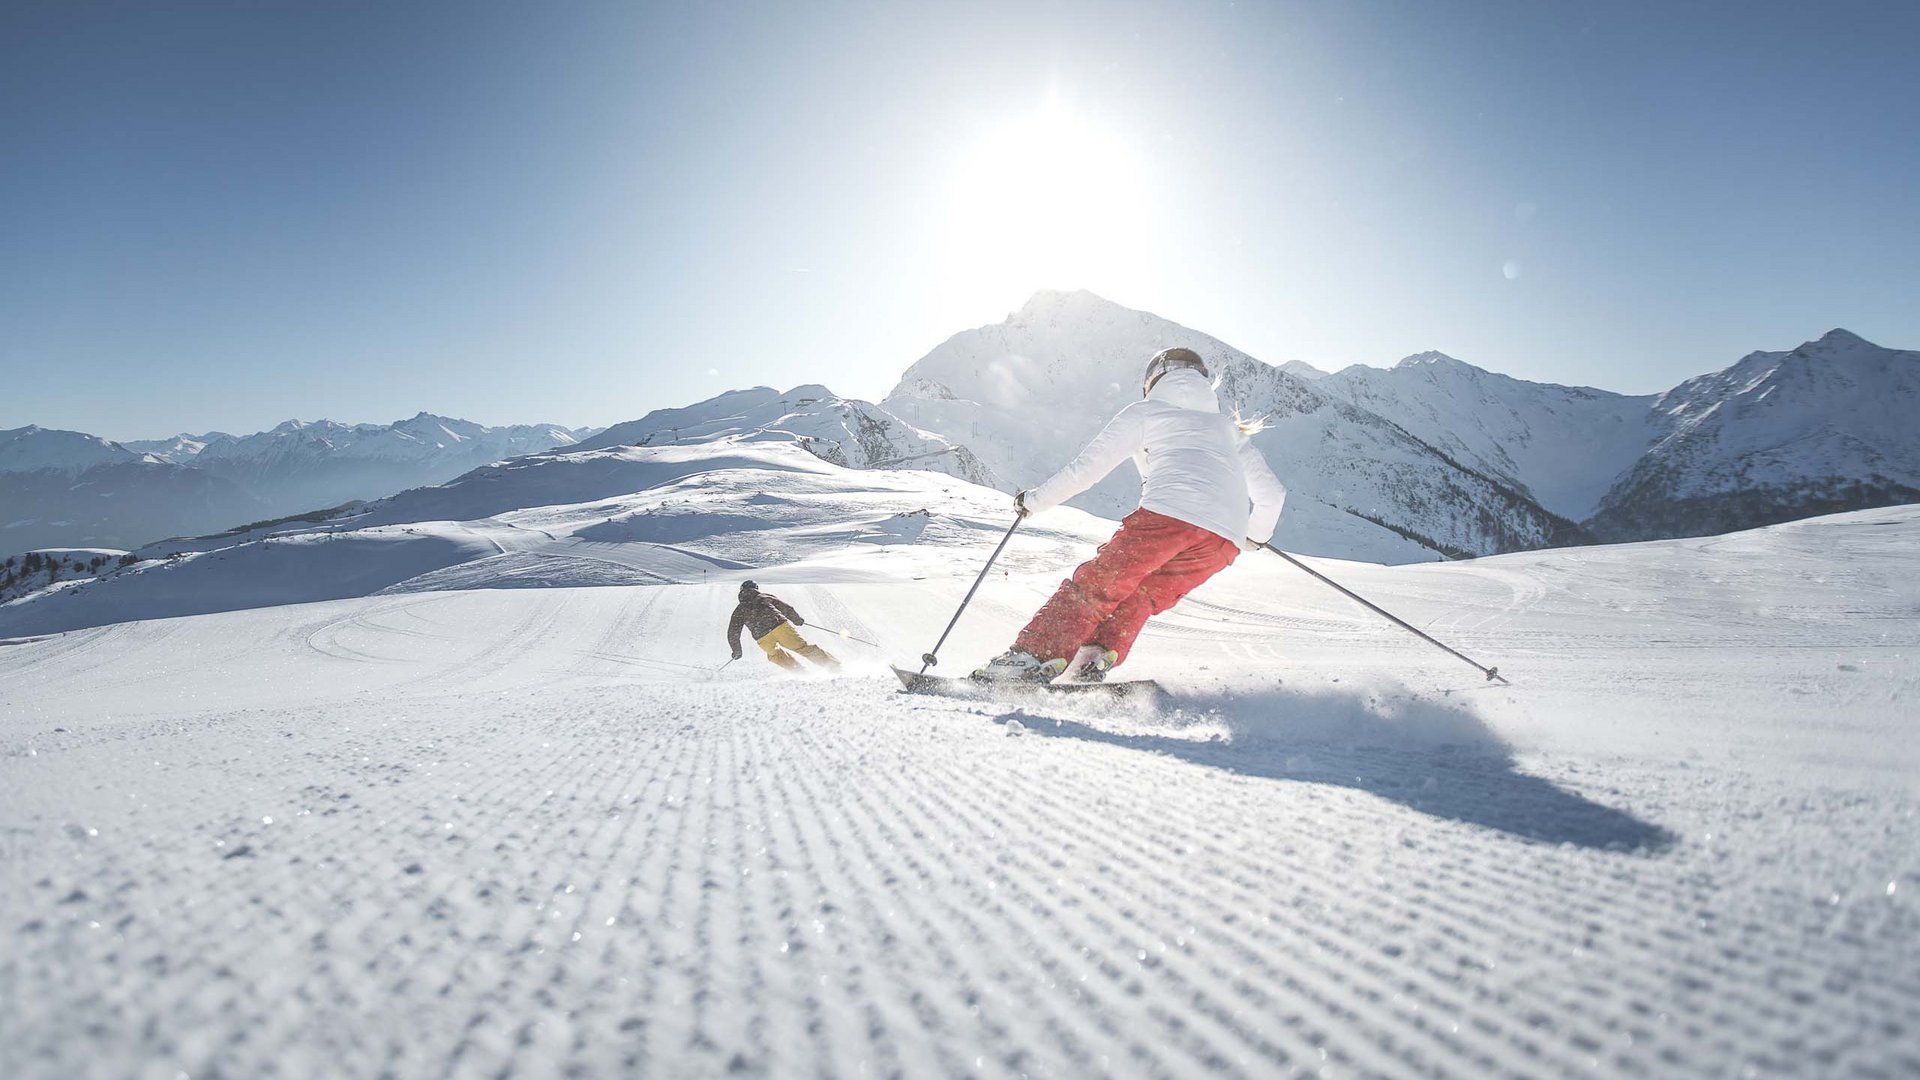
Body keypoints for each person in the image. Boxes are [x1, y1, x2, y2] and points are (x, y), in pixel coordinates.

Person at [974, 347, 1287, 683]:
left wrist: (1033, 501)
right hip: (1223, 542)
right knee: (1143, 594)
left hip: (1167, 519)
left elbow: (1085, 471)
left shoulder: (1147, 413)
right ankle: (1093, 657)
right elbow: (1272, 494)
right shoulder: (1227, 429)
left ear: (1152, 382)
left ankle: (1031, 657)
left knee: (1095, 587)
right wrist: (1255, 535)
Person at [728, 580, 839, 671]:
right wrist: (797, 620)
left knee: (775, 655)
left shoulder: (739, 610)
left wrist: (737, 650)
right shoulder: (764, 596)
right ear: (756, 588)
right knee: (802, 648)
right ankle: (833, 666)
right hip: (779, 626)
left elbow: (733, 632)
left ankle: (800, 672)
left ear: (741, 591)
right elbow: (786, 608)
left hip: (762, 636)